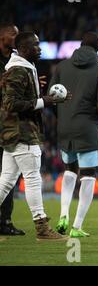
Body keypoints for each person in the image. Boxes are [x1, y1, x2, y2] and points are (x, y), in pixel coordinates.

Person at [0, 32, 67, 241]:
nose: (40, 49)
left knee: (7, 181)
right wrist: (44, 101)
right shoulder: (19, 70)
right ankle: (42, 227)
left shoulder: (22, 67)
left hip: (15, 132)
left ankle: (41, 226)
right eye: (36, 45)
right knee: (32, 179)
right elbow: (11, 104)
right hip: (22, 132)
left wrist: (40, 95)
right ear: (25, 48)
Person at [52, 32, 98, 238]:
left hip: (64, 127)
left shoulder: (61, 67)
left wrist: (62, 115)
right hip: (88, 127)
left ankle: (63, 215)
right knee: (87, 175)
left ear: (80, 45)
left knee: (69, 170)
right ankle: (77, 227)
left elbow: (53, 97)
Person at [0, 22, 24, 236]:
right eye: (13, 34)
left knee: (8, 175)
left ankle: (5, 221)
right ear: (2, 37)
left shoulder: (17, 59)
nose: (16, 38)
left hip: (9, 125)